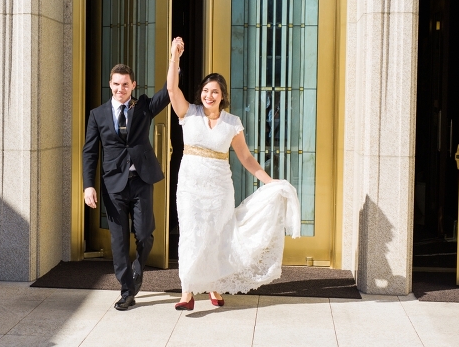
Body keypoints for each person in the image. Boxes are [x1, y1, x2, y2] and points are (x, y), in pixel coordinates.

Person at [167, 37, 301, 310]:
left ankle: (214, 286)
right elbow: (171, 88)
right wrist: (174, 57)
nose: (209, 95)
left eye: (215, 91)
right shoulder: (188, 114)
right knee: (192, 234)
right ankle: (187, 291)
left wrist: (269, 180)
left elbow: (246, 157)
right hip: (190, 187)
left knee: (217, 235)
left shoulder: (232, 123)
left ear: (223, 96)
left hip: (219, 189)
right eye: (205, 90)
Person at [83, 63, 170, 311]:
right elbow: (90, 152)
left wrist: (174, 60)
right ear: (110, 85)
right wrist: (88, 186)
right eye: (116, 84)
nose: (120, 88)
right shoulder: (97, 114)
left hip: (141, 181)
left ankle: (137, 270)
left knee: (144, 234)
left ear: (133, 85)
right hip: (113, 186)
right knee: (119, 241)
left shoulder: (143, 107)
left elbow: (168, 92)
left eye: (125, 84)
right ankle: (127, 290)